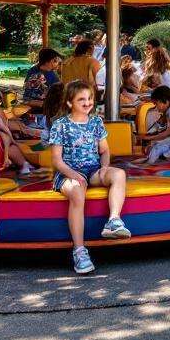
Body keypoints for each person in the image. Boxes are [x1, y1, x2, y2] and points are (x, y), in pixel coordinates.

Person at [47, 80, 132, 274]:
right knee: (77, 192)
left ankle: (114, 220)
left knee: (118, 174)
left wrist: (104, 167)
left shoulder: (96, 122)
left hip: (93, 170)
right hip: (67, 173)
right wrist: (73, 174)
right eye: (81, 99)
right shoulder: (60, 125)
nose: (87, 103)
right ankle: (79, 250)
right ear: (70, 103)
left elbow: (104, 151)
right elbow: (57, 160)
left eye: (90, 98)